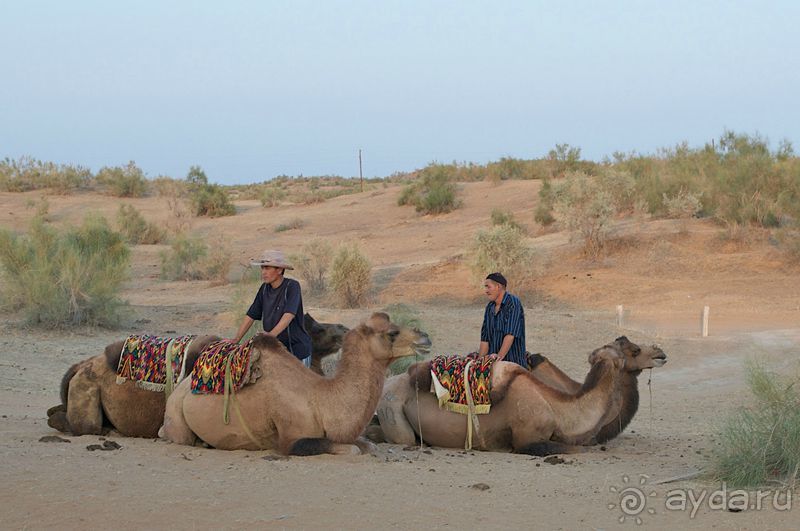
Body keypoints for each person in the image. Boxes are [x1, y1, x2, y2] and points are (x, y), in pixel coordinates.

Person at [234, 249, 313, 368]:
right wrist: (236, 339)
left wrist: (270, 335)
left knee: (298, 386)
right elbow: (251, 315)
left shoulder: (292, 286)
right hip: (275, 351)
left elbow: (289, 315)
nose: (263, 272)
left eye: (267, 268)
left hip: (297, 350)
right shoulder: (264, 289)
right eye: (262, 268)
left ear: (280, 270)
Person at [478, 272, 527, 366]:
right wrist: (480, 364)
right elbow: (485, 339)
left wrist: (498, 359)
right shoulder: (490, 307)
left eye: (488, 287)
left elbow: (510, 335)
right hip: (493, 361)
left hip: (511, 362)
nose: (486, 291)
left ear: (498, 286)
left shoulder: (513, 302)